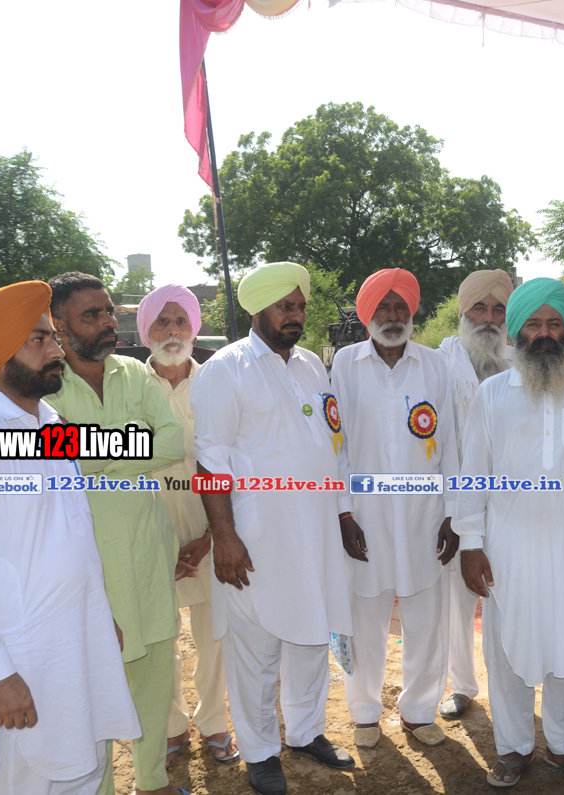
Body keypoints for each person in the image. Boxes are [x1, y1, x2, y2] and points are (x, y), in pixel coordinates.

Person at [0, 282, 140, 795]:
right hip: (21, 662)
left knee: (83, 771)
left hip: (78, 643)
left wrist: (100, 616)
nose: (57, 350)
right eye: (39, 340)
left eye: (53, 337)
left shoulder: (51, 424)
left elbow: (70, 533)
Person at [191, 262, 355, 795]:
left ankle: (305, 731)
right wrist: (225, 537)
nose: (296, 315)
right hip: (257, 539)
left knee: (311, 635)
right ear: (257, 308)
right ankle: (260, 752)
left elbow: (333, 446)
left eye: (301, 306)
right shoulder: (226, 369)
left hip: (316, 531)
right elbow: (210, 461)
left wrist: (343, 513)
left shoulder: (310, 366)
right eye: (286, 306)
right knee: (257, 650)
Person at [456, 277, 564, 787]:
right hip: (508, 549)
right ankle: (513, 747)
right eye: (533, 324)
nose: (544, 334)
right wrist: (470, 544)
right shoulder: (491, 394)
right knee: (507, 650)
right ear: (514, 331)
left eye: (554, 324)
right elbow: (472, 474)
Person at [45, 272, 187, 795]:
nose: (108, 321)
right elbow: (61, 464)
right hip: (90, 565)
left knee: (153, 674)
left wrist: (98, 457)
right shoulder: (47, 382)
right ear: (60, 327)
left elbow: (172, 441)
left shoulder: (132, 371)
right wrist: (126, 452)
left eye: (108, 310)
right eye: (92, 314)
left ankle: (151, 781)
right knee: (93, 688)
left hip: (149, 551)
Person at [331, 268, 459, 749]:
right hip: (365, 519)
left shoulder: (434, 365)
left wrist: (452, 512)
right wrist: (343, 513)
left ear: (411, 312)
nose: (392, 315)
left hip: (425, 516)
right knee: (364, 618)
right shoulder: (346, 364)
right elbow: (336, 445)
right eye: (383, 307)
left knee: (426, 619)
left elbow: (451, 443)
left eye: (400, 306)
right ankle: (365, 713)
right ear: (367, 314)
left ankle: (419, 712)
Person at [136, 285, 238, 768]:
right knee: (160, 639)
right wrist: (159, 542)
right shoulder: (129, 385)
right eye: (162, 321)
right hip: (148, 534)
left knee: (214, 635)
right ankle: (171, 726)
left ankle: (214, 721)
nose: (172, 331)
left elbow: (234, 459)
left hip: (209, 530)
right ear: (146, 331)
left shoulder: (216, 381)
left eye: (181, 321)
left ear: (195, 330)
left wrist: (212, 535)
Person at [436, 269, 515, 720]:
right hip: (456, 503)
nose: (488, 318)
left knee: (507, 595)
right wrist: (450, 510)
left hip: (510, 503)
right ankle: (463, 686)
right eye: (479, 309)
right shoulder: (440, 362)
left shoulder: (520, 362)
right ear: (463, 313)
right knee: (458, 600)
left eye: (498, 309)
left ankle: (515, 680)